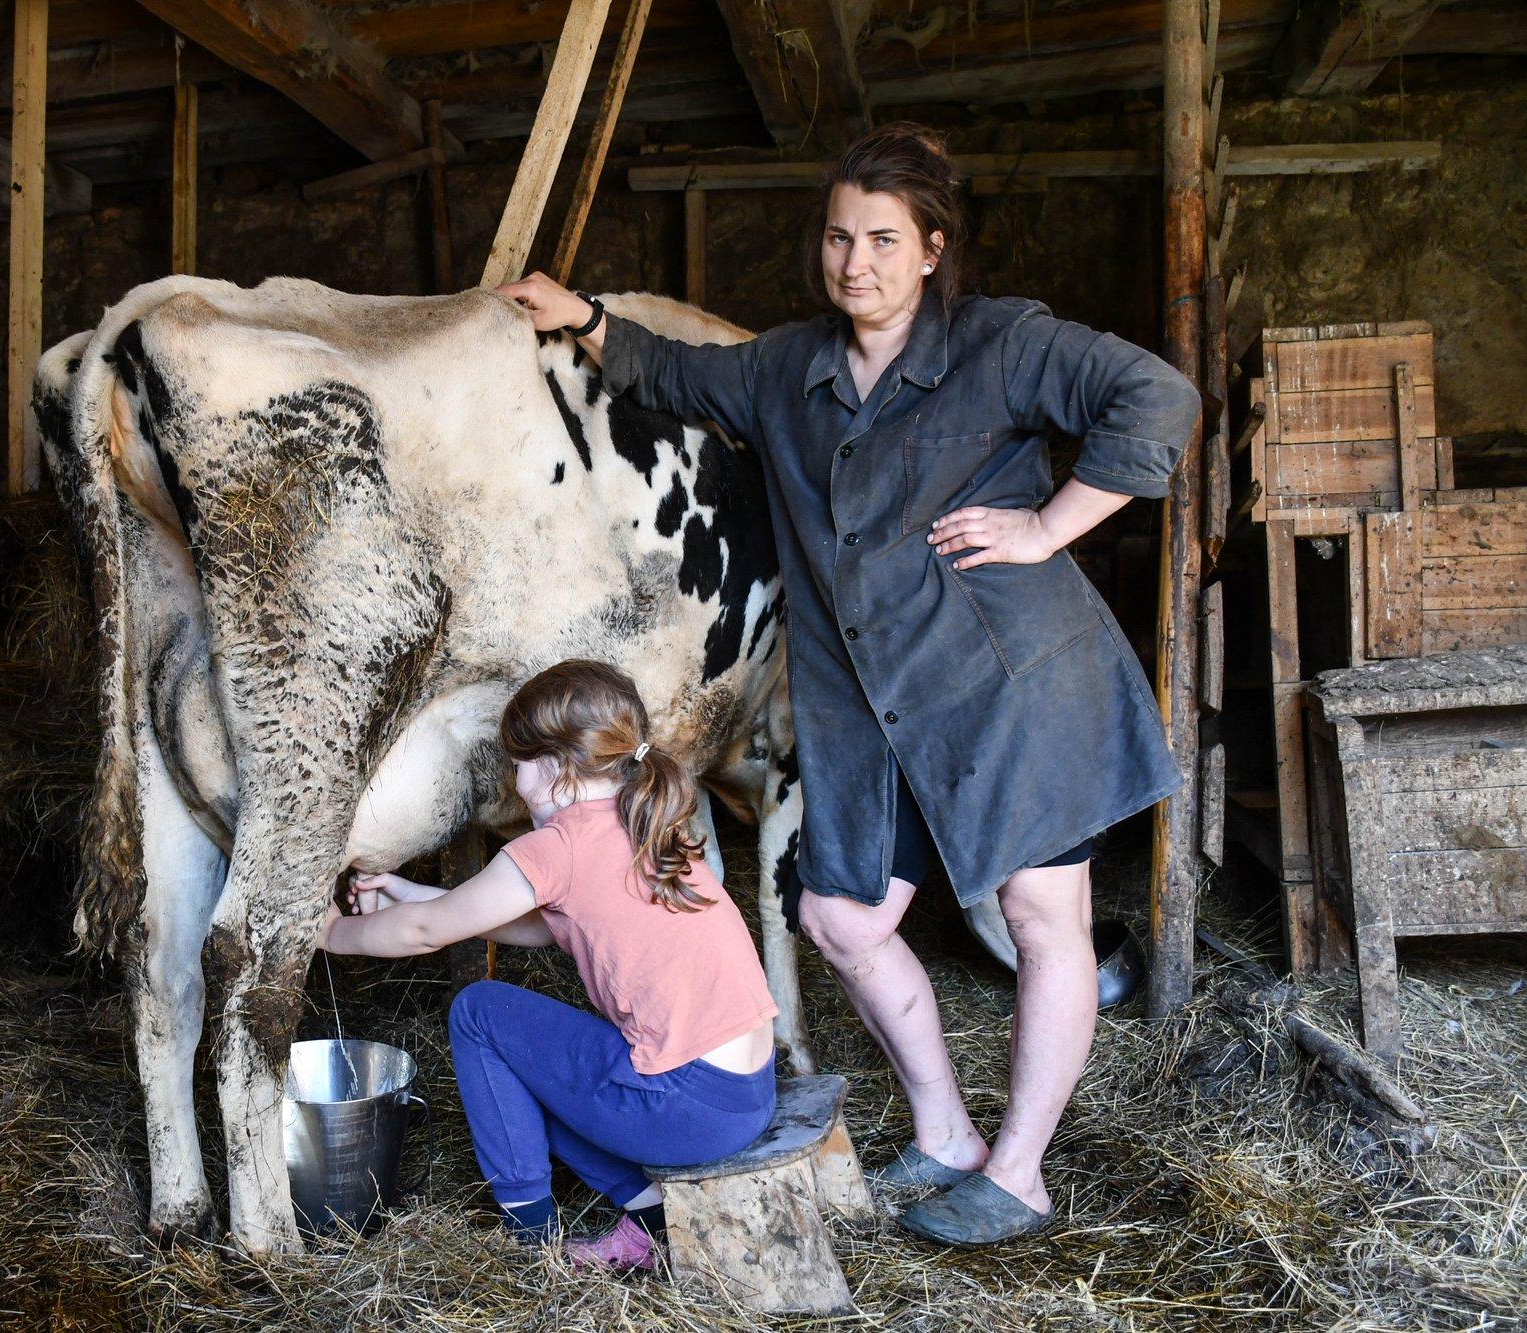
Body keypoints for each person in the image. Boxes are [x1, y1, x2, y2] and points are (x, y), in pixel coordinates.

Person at [496, 123, 1201, 1246]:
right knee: (839, 914)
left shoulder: (1001, 345)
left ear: (930, 248)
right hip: (870, 709)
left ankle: (1016, 1172)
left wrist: (1045, 524)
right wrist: (581, 318)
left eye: (880, 239)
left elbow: (1155, 399)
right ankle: (945, 1134)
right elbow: (678, 371)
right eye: (836, 237)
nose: (853, 262)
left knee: (1038, 912)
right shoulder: (789, 368)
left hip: (1010, 684)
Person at [321, 659, 778, 1270]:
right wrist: (408, 892)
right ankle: (647, 1213)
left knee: (480, 1014)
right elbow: (529, 923)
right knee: (531, 1058)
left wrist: (331, 934)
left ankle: (529, 1240)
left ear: (556, 766)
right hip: (746, 1097)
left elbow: (431, 933)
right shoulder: (642, 824)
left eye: (519, 763)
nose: (514, 780)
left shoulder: (557, 846)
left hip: (683, 1110)